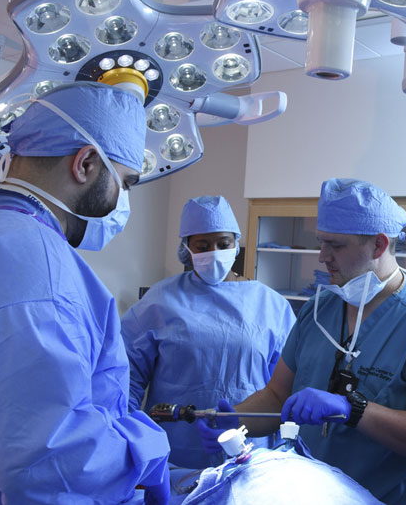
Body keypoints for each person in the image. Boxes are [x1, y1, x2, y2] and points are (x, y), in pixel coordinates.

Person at [0, 82, 171, 504]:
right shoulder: (29, 261)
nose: (121, 201)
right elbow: (42, 462)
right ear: (86, 163)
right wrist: (143, 451)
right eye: (124, 183)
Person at [198, 178, 406, 505]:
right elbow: (277, 395)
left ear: (379, 245)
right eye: (320, 242)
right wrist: (235, 420)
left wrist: (354, 410)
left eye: (336, 246)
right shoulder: (319, 310)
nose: (322, 256)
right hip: (305, 493)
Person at [121, 195, 295, 469]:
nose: (214, 252)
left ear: (236, 244)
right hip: (173, 453)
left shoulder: (270, 304)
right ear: (186, 249)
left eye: (223, 244)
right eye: (202, 246)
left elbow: (286, 386)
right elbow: (125, 378)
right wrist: (132, 439)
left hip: (250, 452)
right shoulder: (160, 301)